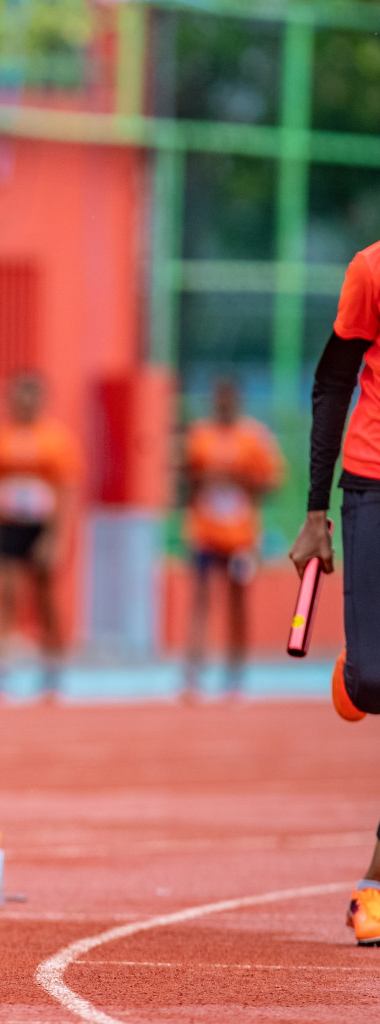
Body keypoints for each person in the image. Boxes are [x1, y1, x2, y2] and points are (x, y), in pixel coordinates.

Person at [290, 238, 380, 945]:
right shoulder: (371, 269)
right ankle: (357, 674)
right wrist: (316, 510)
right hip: (372, 481)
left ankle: (377, 879)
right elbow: (332, 382)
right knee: (374, 679)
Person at [181, 377, 282, 700]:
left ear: (237, 401)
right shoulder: (199, 436)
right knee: (200, 598)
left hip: (240, 535)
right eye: (218, 399)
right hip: (205, 531)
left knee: (237, 602)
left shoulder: (254, 437)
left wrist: (241, 479)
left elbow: (271, 482)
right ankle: (194, 673)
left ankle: (235, 672)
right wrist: (202, 480)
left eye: (228, 399)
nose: (222, 405)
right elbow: (185, 480)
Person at [0, 373, 80, 700]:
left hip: (41, 525)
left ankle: (53, 669)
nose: (24, 404)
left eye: (31, 397)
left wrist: (57, 537)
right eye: (19, 397)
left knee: (45, 599)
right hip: (8, 524)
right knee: (6, 594)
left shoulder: (56, 439)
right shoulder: (0, 438)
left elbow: (66, 490)